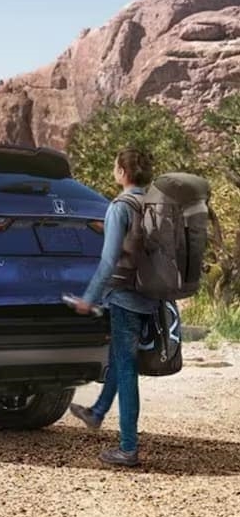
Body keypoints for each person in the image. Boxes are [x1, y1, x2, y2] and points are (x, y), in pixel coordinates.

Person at [68, 148, 159, 467]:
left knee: (126, 368)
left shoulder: (120, 207)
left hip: (124, 296)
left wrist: (88, 298)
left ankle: (128, 448)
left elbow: (108, 261)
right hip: (151, 295)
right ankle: (96, 412)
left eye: (114, 165)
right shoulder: (155, 204)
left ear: (122, 172)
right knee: (121, 358)